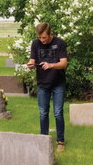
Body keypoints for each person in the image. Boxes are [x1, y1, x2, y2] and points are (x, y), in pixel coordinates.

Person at [27, 23, 68, 152]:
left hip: (58, 83)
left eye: (44, 37)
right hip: (42, 84)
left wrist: (51, 65)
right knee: (43, 113)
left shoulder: (60, 43)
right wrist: (31, 64)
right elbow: (32, 59)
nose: (42, 40)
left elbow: (64, 63)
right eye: (40, 37)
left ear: (50, 34)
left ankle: (60, 141)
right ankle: (43, 139)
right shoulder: (35, 43)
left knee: (57, 113)